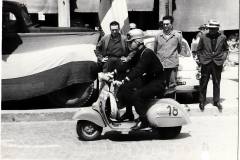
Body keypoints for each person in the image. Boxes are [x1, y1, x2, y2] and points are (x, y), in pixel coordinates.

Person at [114, 29, 165, 130]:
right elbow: (129, 64)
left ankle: (144, 120)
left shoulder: (147, 53)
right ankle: (129, 114)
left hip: (157, 82)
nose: (129, 44)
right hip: (149, 80)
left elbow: (139, 69)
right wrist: (114, 71)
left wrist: (127, 78)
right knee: (125, 88)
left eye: (130, 42)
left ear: (138, 42)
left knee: (137, 95)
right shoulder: (139, 52)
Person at [196, 20, 228, 112]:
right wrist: (201, 59)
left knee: (217, 82)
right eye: (210, 28)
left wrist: (223, 59)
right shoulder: (203, 37)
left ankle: (216, 101)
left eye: (214, 29)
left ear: (218, 29)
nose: (212, 30)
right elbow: (199, 50)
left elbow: (226, 49)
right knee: (203, 82)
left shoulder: (223, 37)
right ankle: (202, 101)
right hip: (206, 62)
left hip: (217, 63)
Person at [154, 15, 182, 93]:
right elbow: (155, 50)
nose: (165, 26)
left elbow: (179, 49)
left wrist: (172, 56)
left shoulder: (177, 36)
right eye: (164, 24)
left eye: (167, 24)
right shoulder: (158, 36)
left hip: (172, 64)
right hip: (161, 64)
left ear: (171, 25)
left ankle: (171, 102)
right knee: (161, 84)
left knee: (172, 85)